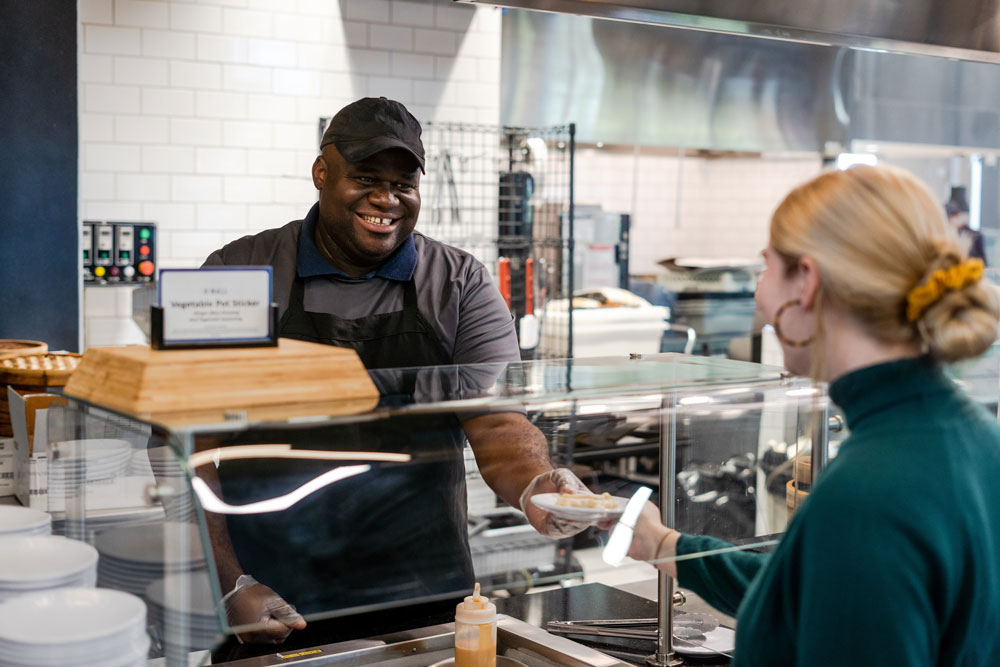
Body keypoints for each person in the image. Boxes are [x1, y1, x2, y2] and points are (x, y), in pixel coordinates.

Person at [199, 97, 591, 651]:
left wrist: (536, 484)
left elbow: (497, 422)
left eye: (404, 183)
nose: (386, 198)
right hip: (271, 594)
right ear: (321, 173)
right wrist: (227, 581)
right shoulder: (239, 272)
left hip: (421, 588)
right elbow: (186, 443)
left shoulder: (459, 283)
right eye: (365, 177)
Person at [624, 165, 1000, 665]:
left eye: (766, 268)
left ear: (806, 282)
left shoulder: (867, 496)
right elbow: (817, 590)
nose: (760, 297)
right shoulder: (977, 438)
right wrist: (663, 544)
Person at [945, 191, 987, 265]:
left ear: (958, 215)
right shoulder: (944, 235)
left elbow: (983, 262)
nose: (948, 223)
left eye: (950, 219)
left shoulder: (975, 235)